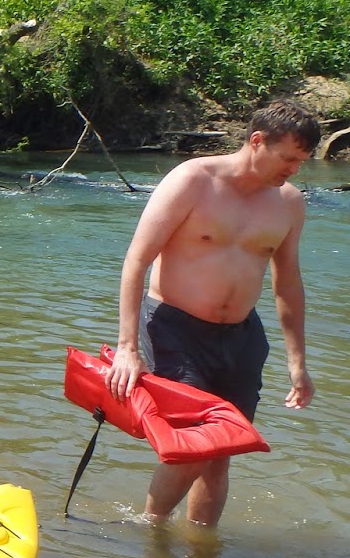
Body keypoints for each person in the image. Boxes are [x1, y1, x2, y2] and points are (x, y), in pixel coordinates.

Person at [107, 99, 320, 525]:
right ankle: (152, 537)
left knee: (222, 453)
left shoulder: (289, 203)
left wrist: (298, 363)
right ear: (257, 141)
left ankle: (200, 554)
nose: (294, 169)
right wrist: (127, 347)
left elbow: (287, 283)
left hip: (241, 337)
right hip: (174, 329)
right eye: (289, 158)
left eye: (303, 161)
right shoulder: (193, 180)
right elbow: (136, 260)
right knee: (193, 448)